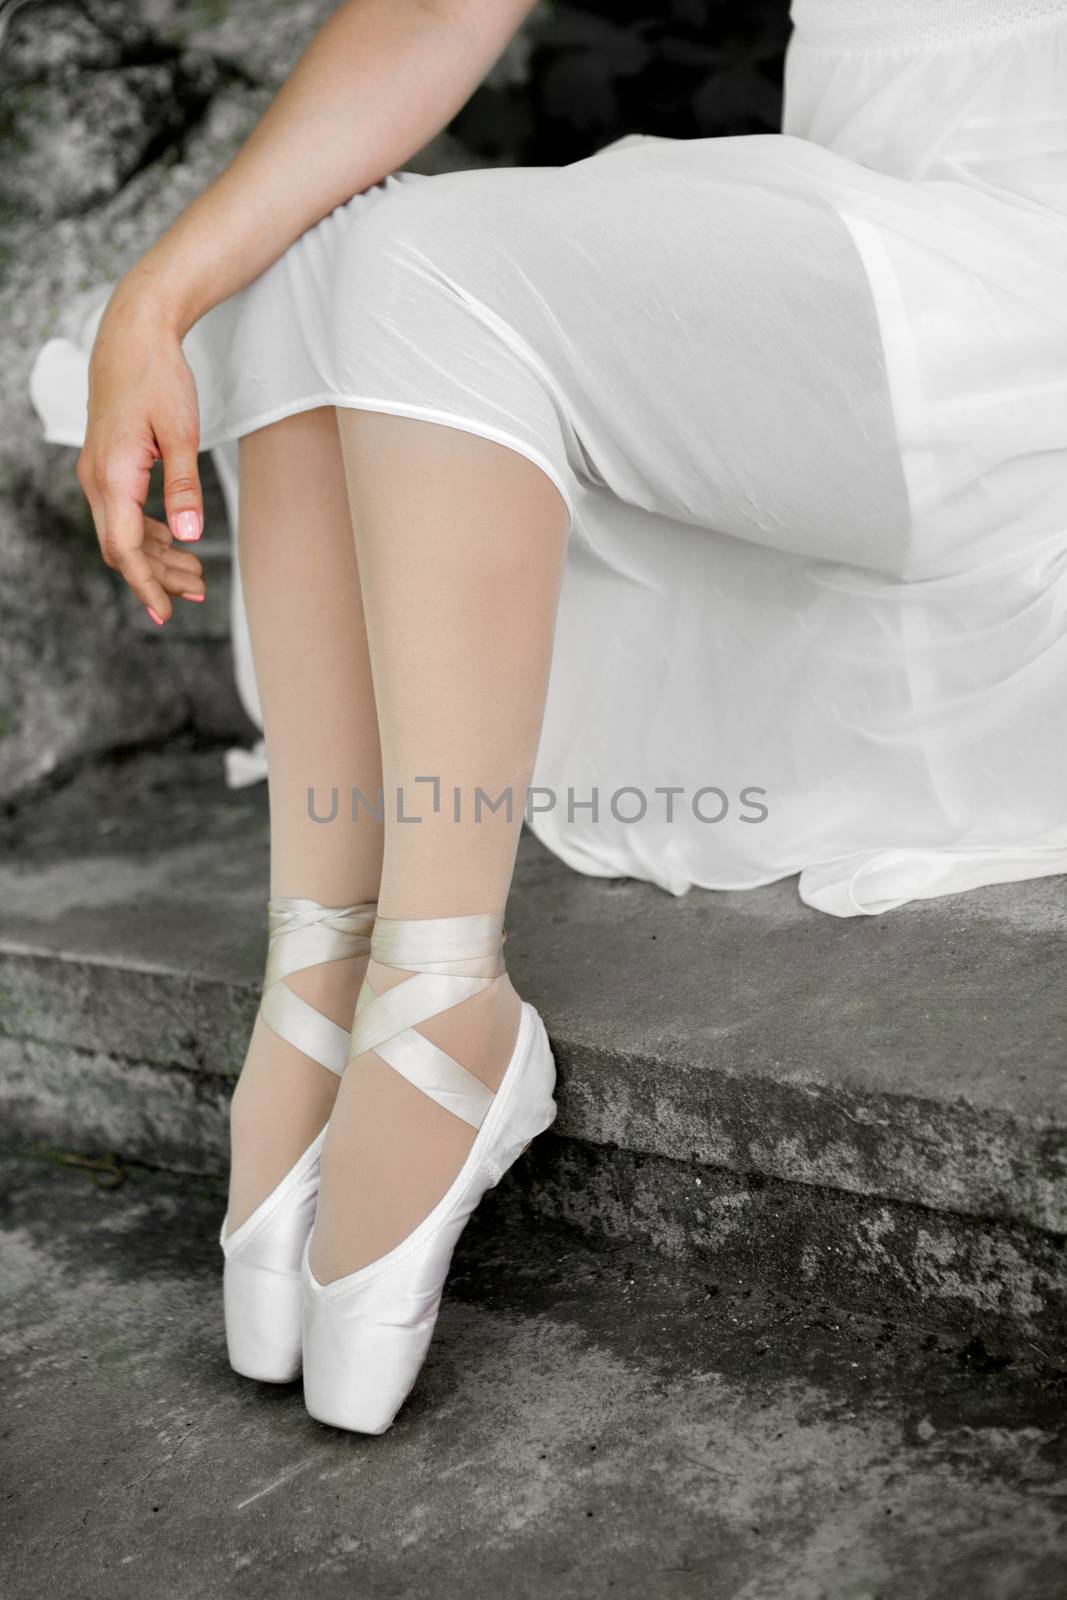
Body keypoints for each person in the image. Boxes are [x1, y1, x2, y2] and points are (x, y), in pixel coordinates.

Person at [59, 0, 1067, 1433]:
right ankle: (324, 969)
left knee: (428, 268)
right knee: (288, 267)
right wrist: (150, 301)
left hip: (1024, 275)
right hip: (865, 240)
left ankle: (439, 990)